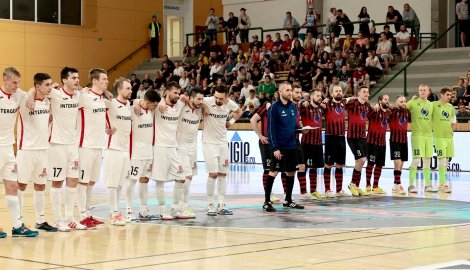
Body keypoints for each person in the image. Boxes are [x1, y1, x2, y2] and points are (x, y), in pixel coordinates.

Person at [39, 67, 87, 231]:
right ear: (64, 80)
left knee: (73, 180)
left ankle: (69, 217)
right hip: (57, 144)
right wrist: (35, 95)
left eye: (78, 77)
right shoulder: (55, 93)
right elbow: (35, 89)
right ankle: (58, 219)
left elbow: (89, 91)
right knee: (57, 181)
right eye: (73, 78)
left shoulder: (78, 95)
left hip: (72, 144)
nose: (77, 80)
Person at [0, 67, 38, 237]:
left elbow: (30, 91)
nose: (16, 85)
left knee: (13, 186)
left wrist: (30, 96)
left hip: (9, 148)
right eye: (14, 82)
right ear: (5, 80)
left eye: (18, 82)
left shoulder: (18, 94)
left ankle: (17, 226)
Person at [17, 73, 57, 232]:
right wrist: (32, 94)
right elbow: (29, 91)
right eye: (46, 85)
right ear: (38, 86)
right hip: (26, 150)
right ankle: (18, 221)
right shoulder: (25, 100)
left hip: (43, 150)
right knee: (21, 185)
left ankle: (40, 220)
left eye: (50, 84)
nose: (49, 88)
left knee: (40, 186)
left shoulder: (48, 101)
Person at [263, 82, 304, 212]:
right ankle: (266, 201)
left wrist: (302, 130)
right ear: (280, 92)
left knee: (291, 171)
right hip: (279, 147)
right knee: (273, 172)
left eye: (290, 90)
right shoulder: (274, 107)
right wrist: (275, 148)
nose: (290, 92)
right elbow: (271, 129)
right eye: (287, 90)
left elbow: (294, 126)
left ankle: (288, 200)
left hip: (292, 145)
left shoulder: (293, 107)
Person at [202, 85, 243, 216]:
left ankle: (221, 204)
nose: (218, 100)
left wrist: (230, 122)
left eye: (221, 98)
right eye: (216, 97)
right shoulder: (207, 101)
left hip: (223, 143)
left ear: (226, 97)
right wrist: (203, 107)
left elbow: (239, 112)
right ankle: (210, 204)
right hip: (208, 143)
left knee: (223, 174)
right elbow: (189, 99)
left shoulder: (230, 104)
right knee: (213, 174)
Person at [77, 68, 109, 228]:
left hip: (98, 146)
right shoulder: (84, 96)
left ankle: (87, 212)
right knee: (82, 182)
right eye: (104, 79)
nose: (107, 81)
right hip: (85, 146)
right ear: (95, 80)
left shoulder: (102, 98)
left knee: (91, 182)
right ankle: (81, 215)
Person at [152, 82, 185, 220]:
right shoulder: (158, 105)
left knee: (181, 178)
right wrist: (160, 101)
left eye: (178, 93)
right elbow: (139, 102)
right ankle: (162, 210)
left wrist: (184, 97)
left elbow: (189, 99)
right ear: (167, 92)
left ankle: (175, 208)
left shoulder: (179, 105)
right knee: (160, 181)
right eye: (175, 93)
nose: (177, 95)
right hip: (160, 147)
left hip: (173, 147)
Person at [126, 90, 161, 222]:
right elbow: (126, 103)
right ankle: (128, 209)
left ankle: (143, 208)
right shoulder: (133, 109)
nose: (155, 108)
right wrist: (134, 103)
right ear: (147, 102)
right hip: (135, 153)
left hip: (148, 152)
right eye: (154, 105)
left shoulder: (151, 111)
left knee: (144, 180)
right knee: (132, 181)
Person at [102, 78, 133, 226]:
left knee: (120, 184)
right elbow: (92, 98)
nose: (130, 90)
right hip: (112, 148)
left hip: (125, 150)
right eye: (127, 88)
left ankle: (115, 211)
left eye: (131, 88)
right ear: (119, 90)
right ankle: (114, 213)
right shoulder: (110, 103)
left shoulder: (129, 105)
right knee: (112, 184)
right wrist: (104, 128)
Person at [175, 88, 204, 218]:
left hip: (193, 149)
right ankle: (181, 207)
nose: (201, 101)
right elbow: (174, 98)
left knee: (188, 178)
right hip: (180, 148)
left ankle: (181, 206)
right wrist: (182, 97)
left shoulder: (201, 107)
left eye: (202, 99)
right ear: (191, 98)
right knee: (185, 178)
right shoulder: (181, 105)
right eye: (198, 98)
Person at [250, 102, 283, 204]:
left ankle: (286, 194)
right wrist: (260, 136)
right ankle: (268, 194)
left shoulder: (284, 108)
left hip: (278, 143)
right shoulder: (267, 106)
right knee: (268, 169)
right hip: (266, 143)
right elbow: (253, 119)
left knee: (282, 169)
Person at [406, 83, 436, 193]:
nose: (422, 92)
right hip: (417, 135)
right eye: (420, 90)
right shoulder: (413, 102)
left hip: (429, 136)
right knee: (416, 159)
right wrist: (409, 100)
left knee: (427, 160)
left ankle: (427, 185)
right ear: (418, 91)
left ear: (429, 92)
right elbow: (401, 108)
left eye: (424, 90)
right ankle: (411, 185)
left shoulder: (431, 105)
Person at [323, 86, 349, 197]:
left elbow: (353, 98)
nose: (338, 93)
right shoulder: (326, 104)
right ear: (331, 93)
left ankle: (339, 190)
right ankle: (327, 189)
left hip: (341, 137)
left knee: (340, 164)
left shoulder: (344, 102)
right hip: (330, 137)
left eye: (340, 91)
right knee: (328, 164)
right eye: (336, 91)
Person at [345, 86, 371, 196]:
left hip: (362, 137)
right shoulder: (352, 103)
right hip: (353, 137)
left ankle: (356, 185)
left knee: (359, 162)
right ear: (358, 93)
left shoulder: (367, 105)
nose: (366, 94)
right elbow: (340, 101)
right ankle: (352, 184)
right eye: (363, 92)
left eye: (367, 92)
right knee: (362, 160)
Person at [300, 90, 326, 199]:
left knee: (314, 167)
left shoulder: (322, 108)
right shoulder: (305, 106)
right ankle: (303, 192)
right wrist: (302, 102)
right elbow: (297, 109)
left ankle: (313, 190)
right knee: (304, 167)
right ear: (311, 96)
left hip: (318, 142)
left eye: (320, 95)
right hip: (307, 143)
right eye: (317, 95)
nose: (319, 97)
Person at [365, 95, 390, 195]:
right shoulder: (374, 110)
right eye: (385, 99)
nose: (387, 101)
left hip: (382, 143)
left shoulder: (389, 113)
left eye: (388, 99)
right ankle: (367, 185)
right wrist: (374, 107)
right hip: (372, 142)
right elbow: (367, 115)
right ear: (380, 101)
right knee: (370, 164)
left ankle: (375, 186)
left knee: (379, 165)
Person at [432, 88, 455, 193]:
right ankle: (443, 184)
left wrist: (452, 131)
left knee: (446, 161)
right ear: (442, 95)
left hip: (448, 138)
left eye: (450, 95)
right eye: (447, 94)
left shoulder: (450, 107)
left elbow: (453, 120)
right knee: (442, 159)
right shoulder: (434, 105)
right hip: (438, 137)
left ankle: (441, 184)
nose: (449, 97)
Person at [389, 96, 411, 195]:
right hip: (395, 141)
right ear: (397, 102)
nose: (403, 103)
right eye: (401, 101)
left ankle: (397, 183)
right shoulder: (392, 111)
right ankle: (397, 184)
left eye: (404, 101)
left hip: (404, 140)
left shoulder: (407, 112)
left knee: (401, 163)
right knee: (397, 162)